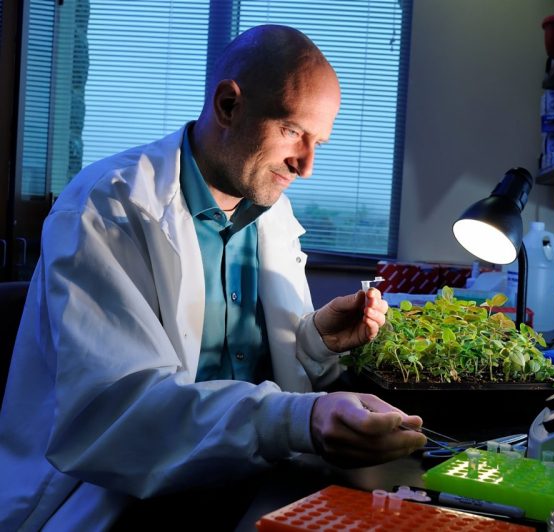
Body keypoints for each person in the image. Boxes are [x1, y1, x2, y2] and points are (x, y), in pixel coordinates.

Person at [0, 24, 426, 530]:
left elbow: (248, 368)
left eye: (319, 142)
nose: (306, 165)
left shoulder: (271, 212)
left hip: (245, 480)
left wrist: (314, 341)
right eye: (292, 131)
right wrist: (300, 419)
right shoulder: (108, 207)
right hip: (117, 497)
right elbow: (119, 412)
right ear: (228, 106)